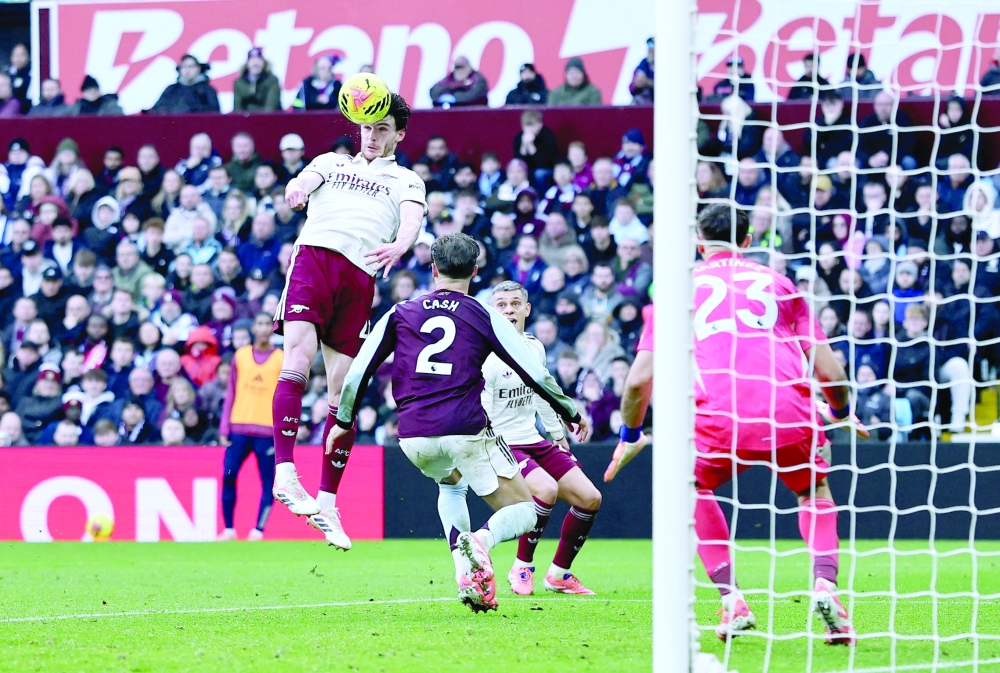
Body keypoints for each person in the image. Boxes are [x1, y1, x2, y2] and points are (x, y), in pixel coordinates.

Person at [606, 204, 868, 645]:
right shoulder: (780, 283)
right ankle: (826, 585)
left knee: (691, 488)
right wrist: (840, 412)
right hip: (790, 410)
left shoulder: (676, 290)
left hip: (717, 418)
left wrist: (631, 435)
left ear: (699, 243)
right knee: (813, 491)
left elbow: (637, 382)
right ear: (747, 241)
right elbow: (830, 371)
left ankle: (732, 600)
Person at [329, 233, 586, 611]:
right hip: (465, 428)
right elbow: (533, 372)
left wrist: (343, 420)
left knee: (450, 487)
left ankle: (467, 576)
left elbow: (357, 372)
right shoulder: (482, 313)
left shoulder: (400, 311)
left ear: (433, 269)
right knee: (526, 510)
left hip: (412, 436)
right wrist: (570, 412)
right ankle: (479, 541)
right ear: (475, 271)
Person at [269, 93, 426, 551]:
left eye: (383, 129)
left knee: (344, 394)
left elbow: (412, 220)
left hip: (359, 277)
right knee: (297, 359)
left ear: (399, 134)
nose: (372, 136)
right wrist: (295, 189)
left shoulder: (406, 179)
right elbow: (302, 181)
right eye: (367, 127)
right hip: (314, 259)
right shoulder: (331, 162)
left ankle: (327, 503)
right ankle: (284, 472)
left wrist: (401, 244)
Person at [484, 281, 601, 595]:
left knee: (590, 498)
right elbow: (481, 412)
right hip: (502, 442)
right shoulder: (486, 356)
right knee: (546, 489)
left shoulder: (534, 347)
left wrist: (558, 434)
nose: (509, 310)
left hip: (533, 439)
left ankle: (559, 574)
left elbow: (542, 393)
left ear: (527, 309)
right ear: (492, 311)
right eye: (501, 305)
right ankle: (522, 567)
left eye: (514, 304)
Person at [218, 313, 281, 541]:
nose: (263, 329)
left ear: (273, 328)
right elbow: (231, 392)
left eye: (267, 324)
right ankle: (229, 529)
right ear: (253, 328)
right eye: (259, 324)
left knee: (268, 482)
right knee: (228, 475)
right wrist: (224, 426)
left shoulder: (281, 358)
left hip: (267, 431)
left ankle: (258, 530)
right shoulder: (241, 356)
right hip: (239, 428)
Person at [151, 55, 219, 114]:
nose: (187, 70)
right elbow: (157, 109)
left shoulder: (207, 90)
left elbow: (214, 113)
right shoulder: (171, 90)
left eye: (191, 66)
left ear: (198, 68)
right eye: (184, 66)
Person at [233, 47, 281, 112]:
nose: (255, 64)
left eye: (258, 60)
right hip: (246, 118)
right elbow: (237, 109)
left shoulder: (272, 81)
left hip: (267, 117)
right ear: (247, 63)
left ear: (264, 63)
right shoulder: (239, 82)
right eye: (252, 60)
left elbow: (270, 108)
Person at [6, 43, 30, 113]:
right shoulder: (6, 74)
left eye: (22, 55)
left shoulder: (32, 74)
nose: (18, 59)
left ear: (28, 57)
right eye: (16, 55)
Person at [629, 38, 654, 105]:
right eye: (650, 49)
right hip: (640, 103)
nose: (651, 52)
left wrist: (648, 82)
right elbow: (631, 88)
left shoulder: (665, 67)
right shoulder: (643, 64)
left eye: (653, 50)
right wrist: (637, 84)